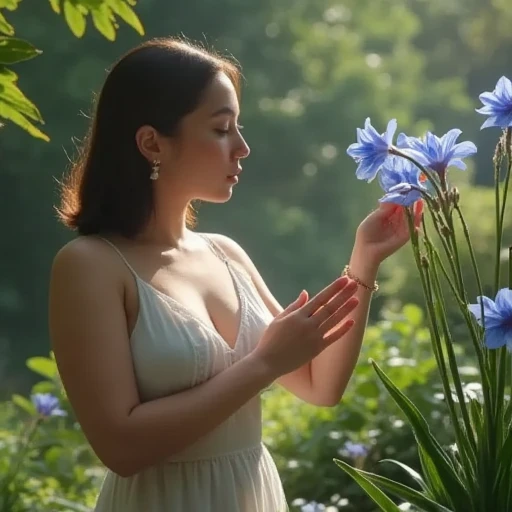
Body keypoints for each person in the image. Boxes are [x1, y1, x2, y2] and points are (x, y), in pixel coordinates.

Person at [48, 37, 422, 512]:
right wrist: (263, 364)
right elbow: (121, 448)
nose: (242, 148)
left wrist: (364, 259)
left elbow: (318, 386)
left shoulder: (226, 254)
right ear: (151, 142)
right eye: (222, 129)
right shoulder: (90, 266)